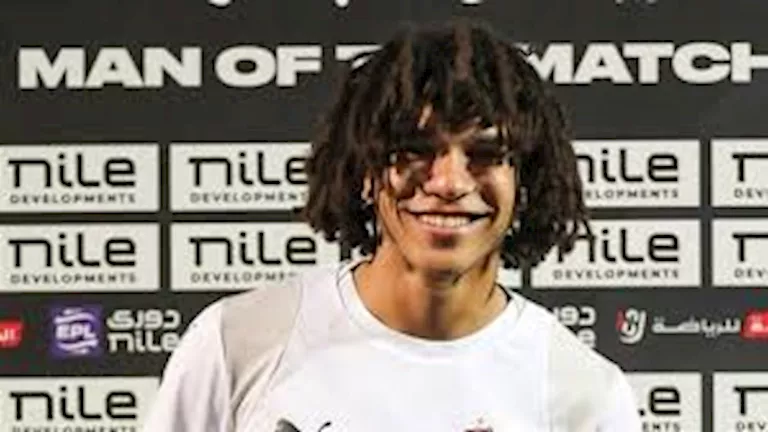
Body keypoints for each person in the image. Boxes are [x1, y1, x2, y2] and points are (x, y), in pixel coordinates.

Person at [144, 19, 642, 431]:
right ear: (366, 170)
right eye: (415, 150)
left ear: (525, 181)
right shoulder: (238, 342)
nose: (449, 182)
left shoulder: (584, 396)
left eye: (485, 154)